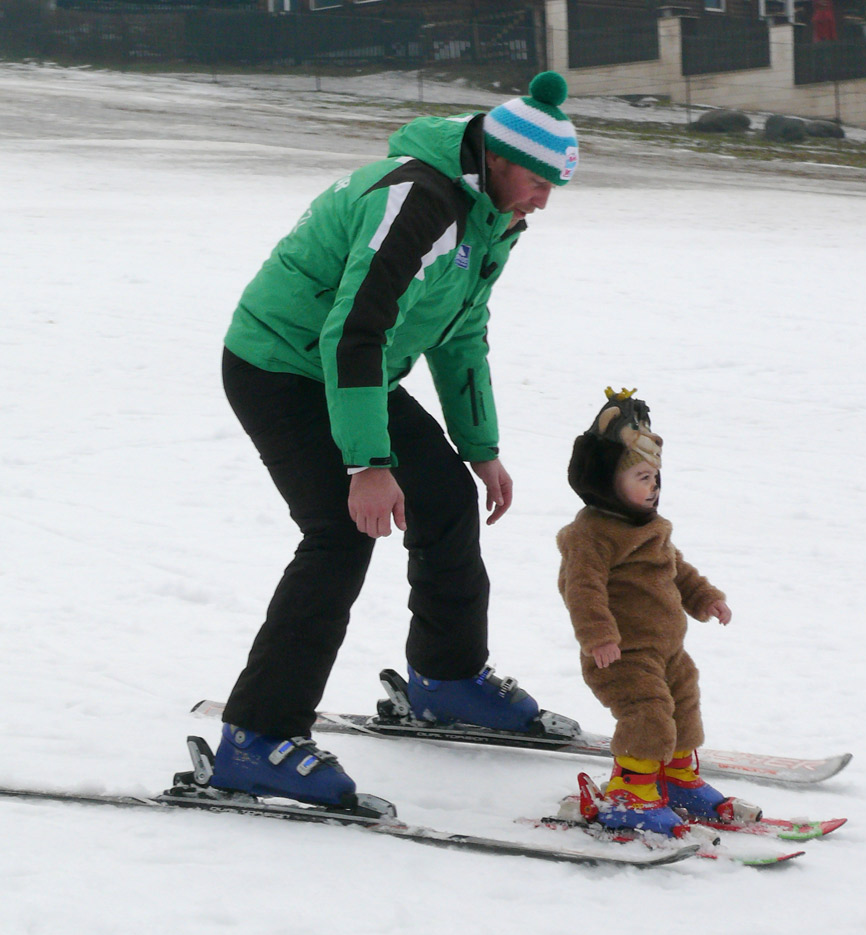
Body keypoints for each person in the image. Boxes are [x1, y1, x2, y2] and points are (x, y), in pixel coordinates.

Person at [209, 72, 580, 809]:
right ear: (499, 159)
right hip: (281, 364)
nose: (544, 201)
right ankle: (257, 737)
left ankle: (447, 679)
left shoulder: (489, 216)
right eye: (539, 183)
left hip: (354, 367)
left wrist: (480, 446)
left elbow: (460, 331)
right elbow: (354, 329)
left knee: (444, 497)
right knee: (339, 533)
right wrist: (367, 463)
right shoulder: (420, 203)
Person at [556, 389, 761, 836]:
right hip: (622, 653)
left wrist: (705, 597)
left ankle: (674, 777)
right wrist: (599, 636)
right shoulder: (590, 534)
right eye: (643, 477)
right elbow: (582, 588)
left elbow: (676, 569)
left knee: (683, 705)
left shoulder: (649, 528)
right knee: (648, 713)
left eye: (656, 478)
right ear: (608, 481)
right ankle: (629, 792)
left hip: (667, 649)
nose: (654, 487)